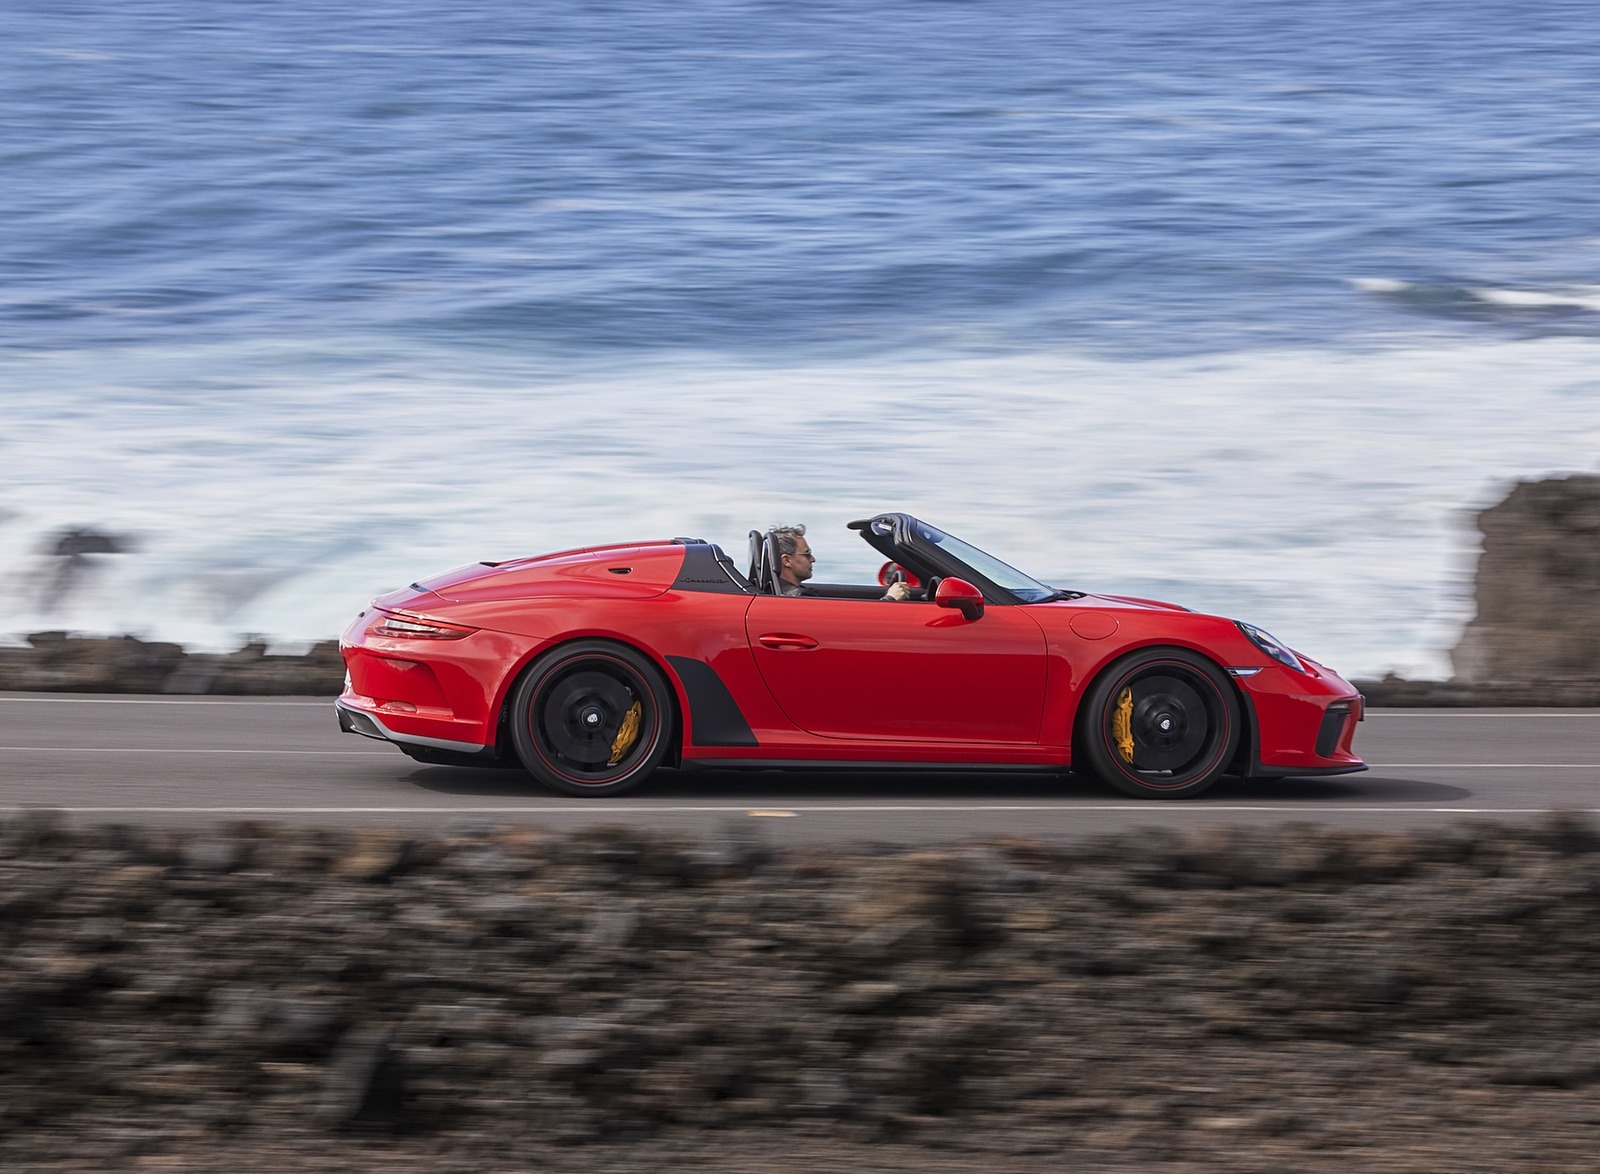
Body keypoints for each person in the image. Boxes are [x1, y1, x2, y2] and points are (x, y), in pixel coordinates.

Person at [771, 525, 910, 600]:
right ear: (786, 560)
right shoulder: (799, 600)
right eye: (807, 554)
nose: (813, 559)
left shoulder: (788, 594)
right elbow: (853, 630)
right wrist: (890, 599)